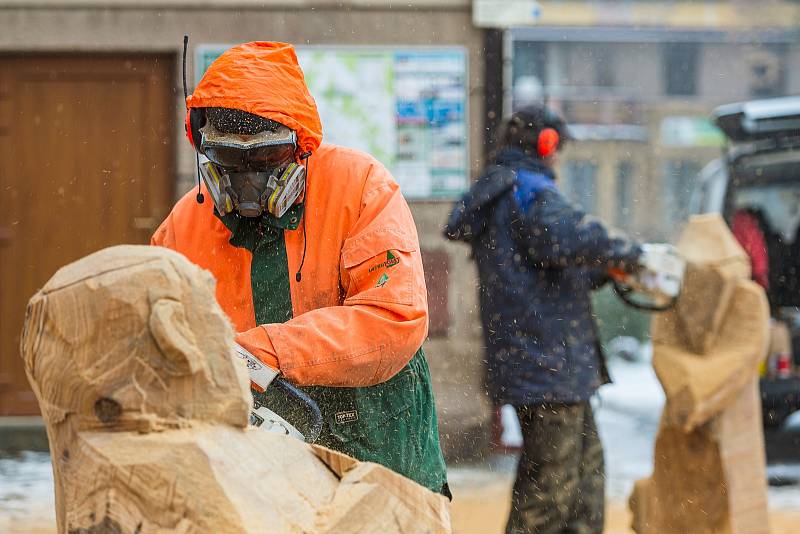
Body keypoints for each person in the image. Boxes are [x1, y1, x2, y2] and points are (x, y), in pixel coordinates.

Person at [151, 41, 448, 496]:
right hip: (258, 457)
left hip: (378, 435)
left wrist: (262, 353)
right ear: (207, 152)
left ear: (298, 147)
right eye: (231, 161)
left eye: (266, 159)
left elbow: (395, 319)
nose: (247, 179)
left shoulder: (361, 188)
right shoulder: (182, 229)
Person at [445, 104, 642, 532]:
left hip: (547, 362)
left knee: (584, 479)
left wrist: (602, 270)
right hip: (549, 361)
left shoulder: (502, 192)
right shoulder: (528, 190)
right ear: (546, 143)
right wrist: (628, 251)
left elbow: (544, 266)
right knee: (550, 490)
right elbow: (568, 237)